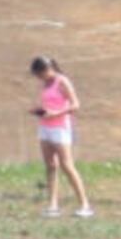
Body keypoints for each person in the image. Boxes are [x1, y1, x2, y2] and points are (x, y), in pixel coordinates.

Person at [30, 57, 94, 218]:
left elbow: (75, 105)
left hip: (60, 127)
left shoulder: (62, 81)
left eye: (40, 74)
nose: (40, 78)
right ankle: (53, 205)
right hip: (45, 126)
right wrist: (40, 110)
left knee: (67, 165)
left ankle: (84, 204)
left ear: (48, 69)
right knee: (51, 165)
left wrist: (56, 113)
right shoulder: (45, 84)